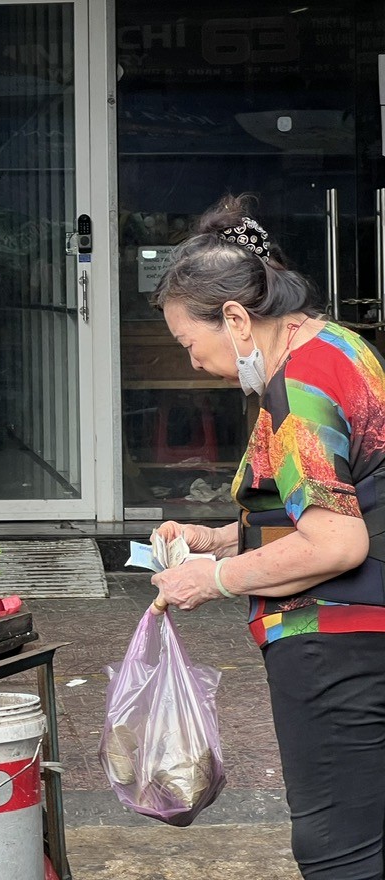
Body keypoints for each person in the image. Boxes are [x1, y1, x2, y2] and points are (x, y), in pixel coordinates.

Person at [148, 195, 385, 880]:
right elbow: (347, 500)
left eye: (190, 345)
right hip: (365, 634)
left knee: (339, 847)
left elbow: (337, 544)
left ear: (235, 318)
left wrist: (211, 580)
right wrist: (223, 538)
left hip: (338, 645)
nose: (193, 364)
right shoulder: (340, 348)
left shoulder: (298, 390)